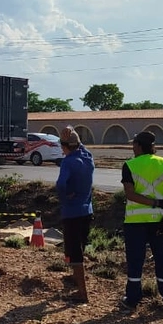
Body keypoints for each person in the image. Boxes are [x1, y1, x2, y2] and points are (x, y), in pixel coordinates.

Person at [120, 131, 163, 313]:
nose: (132, 147)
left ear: (138, 145)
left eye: (134, 144)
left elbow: (130, 194)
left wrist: (153, 203)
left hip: (136, 222)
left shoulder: (130, 165)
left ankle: (132, 300)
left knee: (135, 262)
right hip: (161, 222)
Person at [55, 126, 95, 304]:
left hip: (72, 212)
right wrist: (73, 136)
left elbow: (61, 184)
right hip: (87, 211)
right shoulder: (87, 158)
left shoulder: (68, 162)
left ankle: (82, 293)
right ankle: (75, 280)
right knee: (79, 247)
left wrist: (65, 197)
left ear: (65, 146)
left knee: (74, 251)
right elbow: (81, 146)